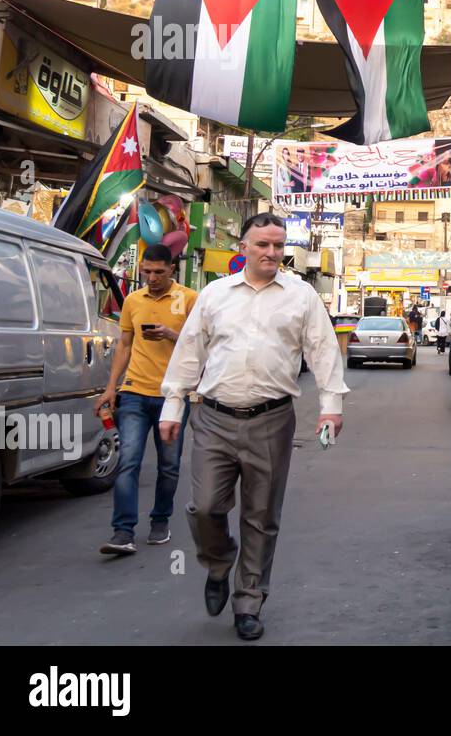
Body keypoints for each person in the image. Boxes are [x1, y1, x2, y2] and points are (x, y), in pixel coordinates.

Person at [159, 213, 347, 641]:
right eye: (263, 244)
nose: (271, 253)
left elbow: (323, 351)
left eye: (279, 245)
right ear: (242, 246)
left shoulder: (300, 297)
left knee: (261, 517)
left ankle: (249, 601)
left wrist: (330, 406)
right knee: (205, 506)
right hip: (213, 418)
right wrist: (172, 406)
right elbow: (190, 351)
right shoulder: (215, 294)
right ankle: (218, 560)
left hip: (272, 420)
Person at [97, 244, 199, 556]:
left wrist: (171, 334)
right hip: (134, 393)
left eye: (158, 272)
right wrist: (111, 387)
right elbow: (124, 345)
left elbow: (202, 345)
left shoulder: (190, 300)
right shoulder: (132, 300)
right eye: (146, 272)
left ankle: (160, 520)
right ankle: (123, 531)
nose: (152, 278)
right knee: (128, 460)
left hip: (174, 396)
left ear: (172, 269)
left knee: (168, 466)